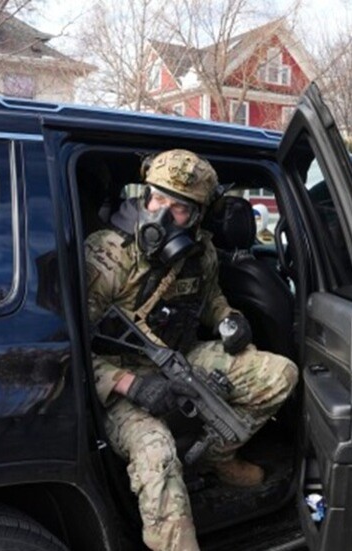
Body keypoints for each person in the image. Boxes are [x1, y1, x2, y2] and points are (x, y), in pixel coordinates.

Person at [84, 149, 298, 551]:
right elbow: (68, 347)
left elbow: (211, 297)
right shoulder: (107, 254)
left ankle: (217, 458)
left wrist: (229, 320)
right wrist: (130, 384)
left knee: (279, 374)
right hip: (115, 374)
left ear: (198, 215)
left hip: (180, 355)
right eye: (157, 199)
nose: (163, 214)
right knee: (158, 455)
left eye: (179, 207)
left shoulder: (202, 252)